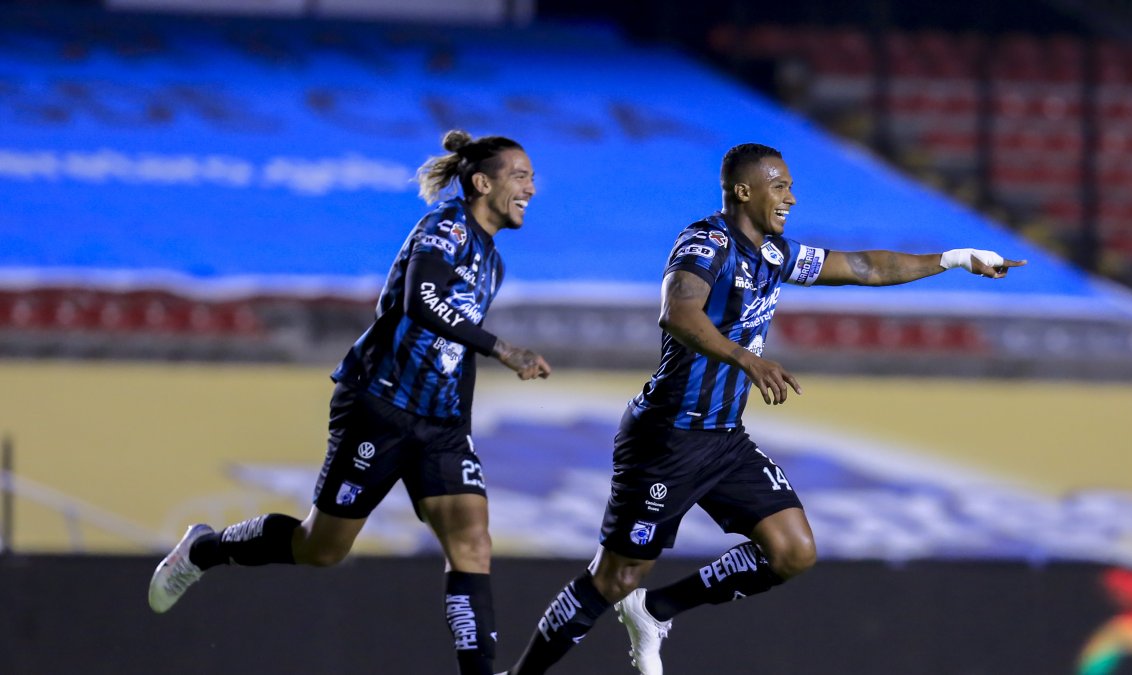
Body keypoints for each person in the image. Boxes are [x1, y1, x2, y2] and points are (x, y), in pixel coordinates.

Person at [499, 142, 1026, 675]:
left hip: (724, 439)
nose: (791, 199)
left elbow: (864, 265)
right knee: (613, 578)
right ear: (743, 191)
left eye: (791, 187)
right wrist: (746, 359)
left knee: (792, 551)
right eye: (780, 187)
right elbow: (678, 314)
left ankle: (657, 610)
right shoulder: (704, 244)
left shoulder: (775, 254)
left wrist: (957, 258)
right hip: (666, 438)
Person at [148, 129, 552, 675]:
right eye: (521, 175)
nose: (532, 186)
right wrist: (502, 348)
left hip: (441, 425)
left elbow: (452, 349)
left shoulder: (493, 262)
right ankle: (205, 549)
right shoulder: (446, 225)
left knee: (473, 541)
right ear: (483, 182)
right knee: (322, 548)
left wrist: (459, 430)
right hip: (379, 405)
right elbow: (421, 302)